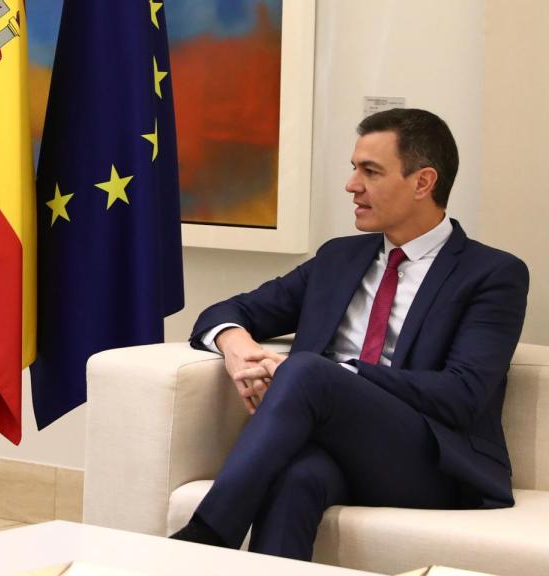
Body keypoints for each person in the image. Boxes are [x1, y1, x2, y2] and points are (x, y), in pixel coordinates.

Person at [170, 109, 528, 560]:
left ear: (423, 182)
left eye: (370, 171)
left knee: (308, 372)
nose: (351, 185)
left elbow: (463, 393)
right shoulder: (339, 259)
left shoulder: (492, 274)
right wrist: (236, 347)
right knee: (297, 477)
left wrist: (339, 375)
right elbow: (227, 311)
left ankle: (203, 540)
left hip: (432, 461)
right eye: (354, 168)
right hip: (338, 448)